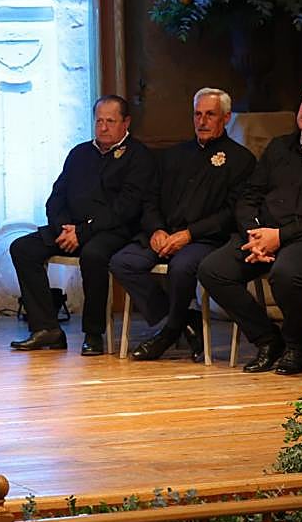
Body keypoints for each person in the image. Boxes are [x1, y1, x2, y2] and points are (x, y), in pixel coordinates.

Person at [198, 79, 302, 375]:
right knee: (213, 269)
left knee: (287, 274)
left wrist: (279, 237)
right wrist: (255, 233)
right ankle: (267, 339)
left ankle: (296, 345)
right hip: (265, 235)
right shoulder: (280, 147)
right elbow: (248, 196)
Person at [109, 88, 255, 361]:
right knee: (122, 262)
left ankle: (168, 332)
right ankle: (184, 318)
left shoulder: (241, 160)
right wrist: (156, 229)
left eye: (210, 115)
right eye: (198, 114)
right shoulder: (173, 155)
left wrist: (190, 234)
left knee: (182, 267)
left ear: (225, 118)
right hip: (164, 233)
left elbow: (230, 213)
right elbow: (149, 198)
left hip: (206, 239)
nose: (202, 121)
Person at [8, 95, 156, 356]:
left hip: (112, 232)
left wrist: (83, 231)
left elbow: (126, 208)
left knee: (93, 255)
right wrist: (64, 227)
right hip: (71, 230)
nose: (103, 127)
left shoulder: (139, 156)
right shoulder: (79, 153)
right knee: (22, 248)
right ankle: (46, 328)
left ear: (126, 123)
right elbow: (56, 198)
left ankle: (93, 333)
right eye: (99, 120)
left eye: (110, 121)